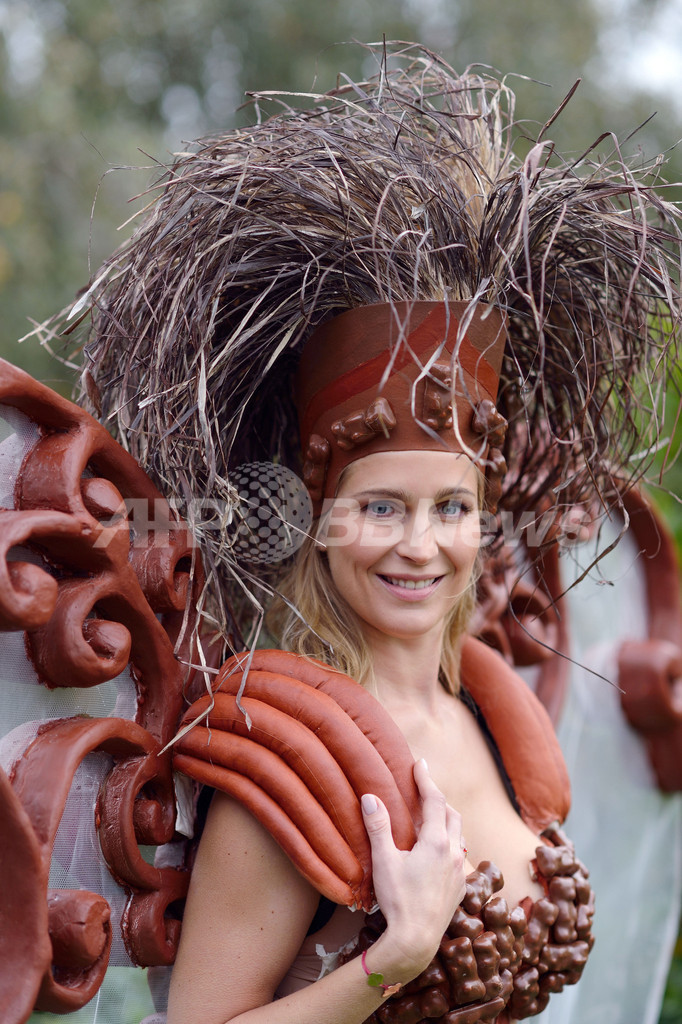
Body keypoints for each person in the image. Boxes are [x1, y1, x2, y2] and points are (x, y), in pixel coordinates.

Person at [51, 41, 679, 1023]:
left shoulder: (491, 711)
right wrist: (396, 960)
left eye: (450, 508)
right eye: (381, 506)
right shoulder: (293, 747)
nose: (420, 546)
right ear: (319, 519)